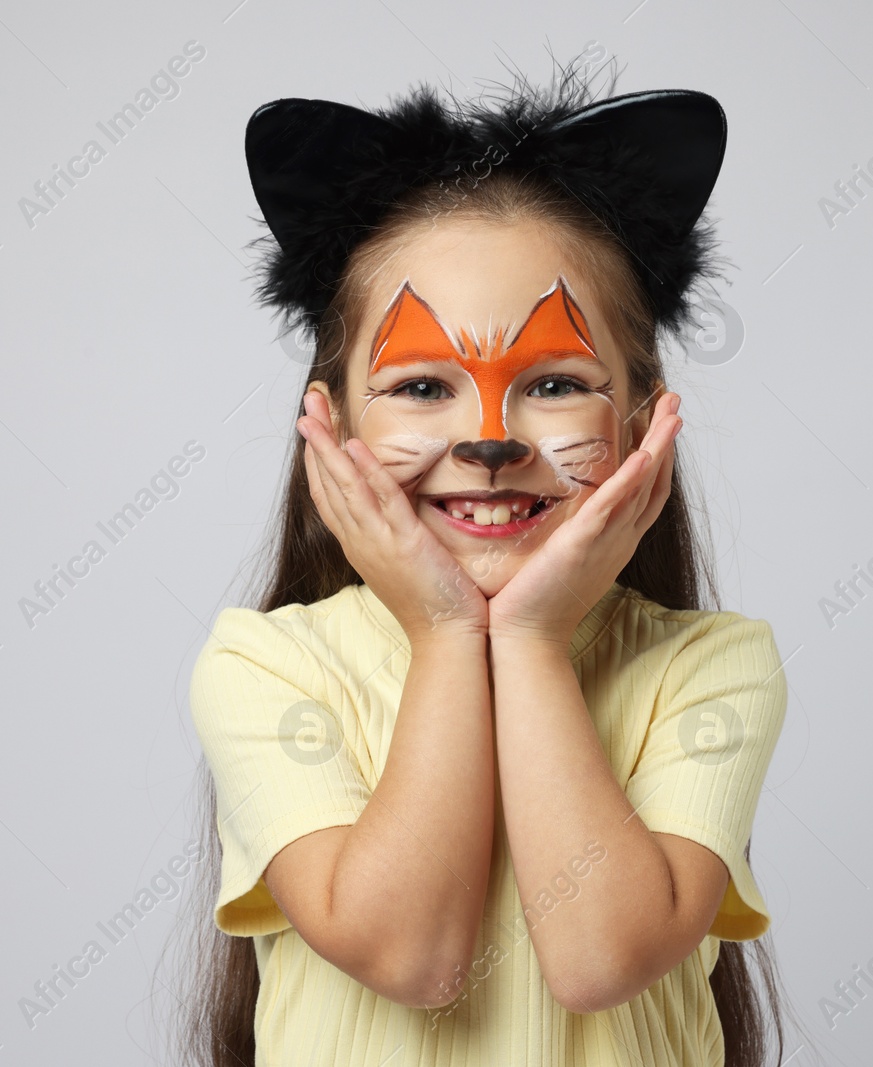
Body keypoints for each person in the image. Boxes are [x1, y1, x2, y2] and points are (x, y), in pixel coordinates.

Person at [180, 60, 789, 1067]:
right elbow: (410, 954)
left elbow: (600, 958)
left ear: (643, 419)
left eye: (553, 381)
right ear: (327, 421)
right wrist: (448, 630)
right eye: (422, 386)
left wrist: (534, 646)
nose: (490, 438)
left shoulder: (710, 668)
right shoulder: (266, 667)